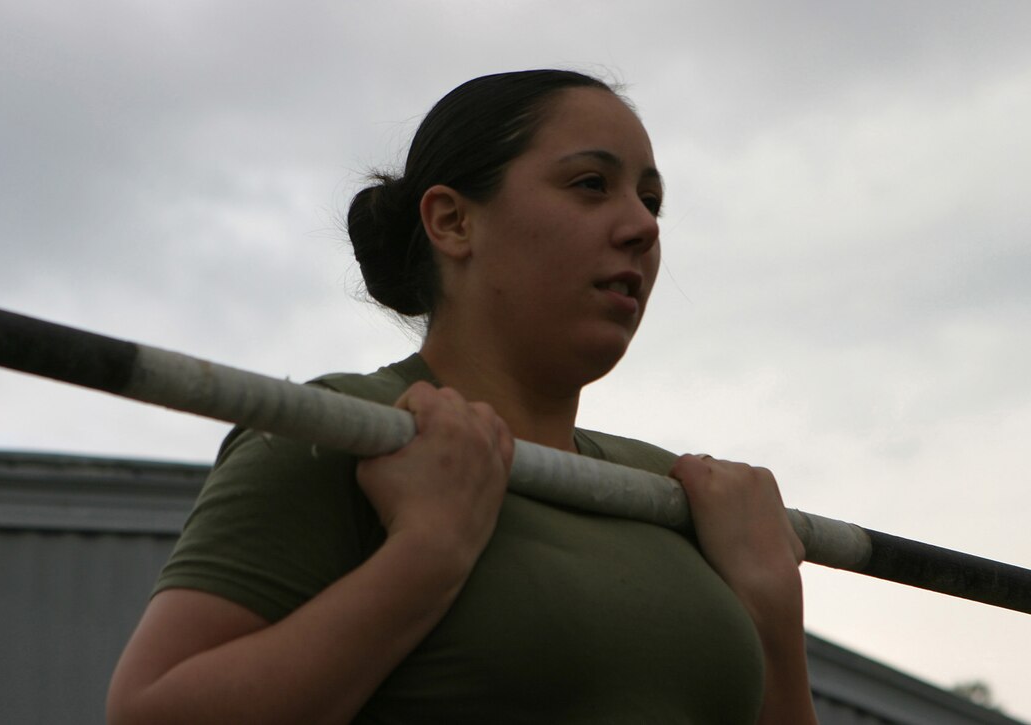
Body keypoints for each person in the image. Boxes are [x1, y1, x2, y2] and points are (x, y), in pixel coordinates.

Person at [107, 69, 817, 724]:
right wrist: (430, 550)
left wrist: (773, 614)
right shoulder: (350, 429)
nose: (643, 226)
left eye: (651, 199)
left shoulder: (674, 495)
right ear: (452, 221)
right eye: (592, 184)